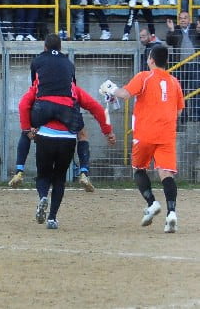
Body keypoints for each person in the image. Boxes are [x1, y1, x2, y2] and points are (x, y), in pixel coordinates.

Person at [104, 44, 185, 233]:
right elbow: (179, 109)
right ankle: (171, 213)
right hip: (166, 134)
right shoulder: (174, 82)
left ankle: (152, 203)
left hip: (145, 133)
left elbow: (124, 95)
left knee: (138, 169)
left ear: (151, 60)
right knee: (166, 173)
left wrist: (111, 88)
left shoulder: (144, 77)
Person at [18, 73, 113, 229]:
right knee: (59, 178)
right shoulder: (74, 89)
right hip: (67, 139)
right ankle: (52, 218)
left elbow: (23, 105)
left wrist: (27, 128)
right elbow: (97, 108)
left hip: (46, 136)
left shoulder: (41, 87)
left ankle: (42, 197)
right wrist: (108, 131)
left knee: (43, 175)